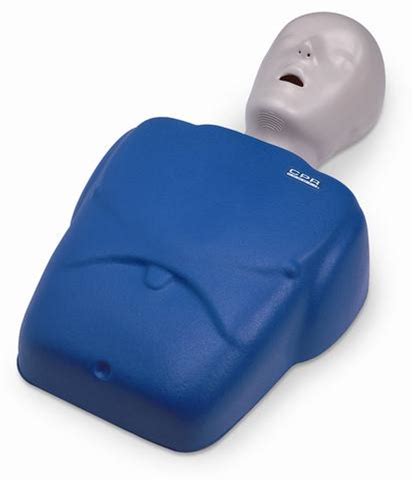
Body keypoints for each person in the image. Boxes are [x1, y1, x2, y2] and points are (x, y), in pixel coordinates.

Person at [18, 13, 385, 452]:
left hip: (177, 398)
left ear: (362, 117)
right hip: (76, 359)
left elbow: (314, 328)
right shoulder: (153, 139)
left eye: (338, 60)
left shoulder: (332, 217)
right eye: (291, 42)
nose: (304, 52)